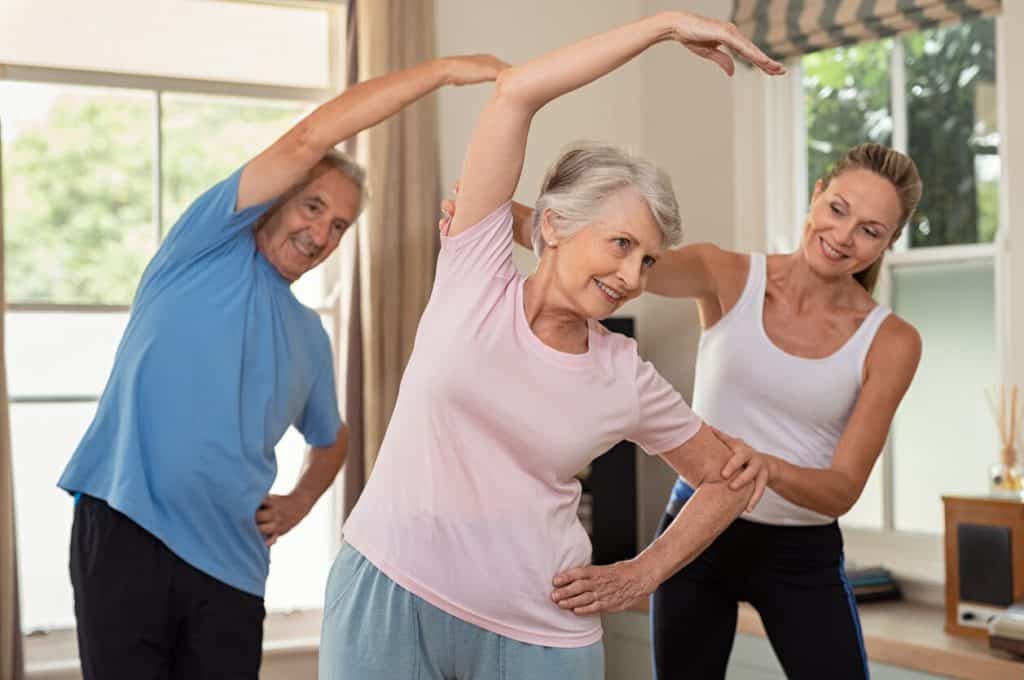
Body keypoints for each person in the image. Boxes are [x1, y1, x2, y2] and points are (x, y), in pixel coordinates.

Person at [320, 10, 783, 680]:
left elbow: (728, 480)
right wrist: (661, 26)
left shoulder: (623, 374)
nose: (632, 277)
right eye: (621, 244)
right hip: (387, 593)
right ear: (558, 226)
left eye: (649, 261)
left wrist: (641, 575)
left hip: (538, 630)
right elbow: (516, 92)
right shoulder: (475, 270)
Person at [56, 54, 506, 680]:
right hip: (128, 528)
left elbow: (334, 438)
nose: (322, 232)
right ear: (276, 199)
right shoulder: (203, 250)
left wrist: (297, 502)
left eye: (340, 225)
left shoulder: (308, 338)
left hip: (232, 566)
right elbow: (309, 138)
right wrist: (442, 73)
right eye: (313, 206)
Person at [536, 143, 922, 679]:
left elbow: (844, 487)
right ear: (816, 196)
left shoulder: (891, 341)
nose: (843, 235)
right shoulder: (726, 274)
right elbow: (609, 249)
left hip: (800, 554)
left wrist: (766, 466)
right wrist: (484, 218)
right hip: (695, 535)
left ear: (888, 243)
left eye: (870, 230)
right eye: (838, 209)